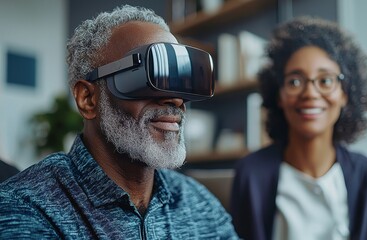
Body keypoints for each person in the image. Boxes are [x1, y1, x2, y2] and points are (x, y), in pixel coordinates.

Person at [0, 5, 238, 239]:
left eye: (178, 80)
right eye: (150, 75)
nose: (175, 100)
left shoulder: (199, 205)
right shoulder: (27, 207)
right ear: (88, 99)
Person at [230, 17, 367, 240]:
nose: (310, 93)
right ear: (279, 95)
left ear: (345, 94)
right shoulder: (249, 173)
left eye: (325, 81)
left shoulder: (366, 173)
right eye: (295, 81)